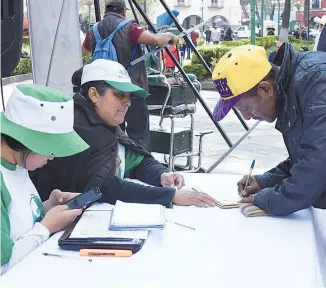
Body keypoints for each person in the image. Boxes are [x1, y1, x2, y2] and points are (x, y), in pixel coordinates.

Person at [31, 59, 218, 209]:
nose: (127, 102)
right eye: (119, 94)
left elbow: (133, 160)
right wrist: (171, 196)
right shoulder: (78, 127)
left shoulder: (103, 121)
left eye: (129, 95)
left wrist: (161, 175)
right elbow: (106, 188)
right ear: (94, 94)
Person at [212, 43, 326, 215]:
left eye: (246, 109)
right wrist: (264, 181)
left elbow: (318, 162)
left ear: (265, 89)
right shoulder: (289, 87)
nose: (247, 117)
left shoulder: (315, 81)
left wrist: (267, 199)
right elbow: (307, 155)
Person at [1, 84, 89, 274]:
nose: (51, 158)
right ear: (22, 142)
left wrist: (47, 206)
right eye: (48, 149)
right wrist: (46, 227)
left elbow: (16, 222)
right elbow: (3, 268)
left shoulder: (18, 163)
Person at [82, 0, 179, 150]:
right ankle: (139, 167)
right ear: (123, 12)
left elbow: (83, 51)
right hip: (130, 90)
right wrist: (170, 36)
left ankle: (116, 164)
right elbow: (156, 40)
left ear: (106, 11)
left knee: (110, 132)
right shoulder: (129, 27)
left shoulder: (93, 30)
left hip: (103, 91)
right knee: (138, 133)